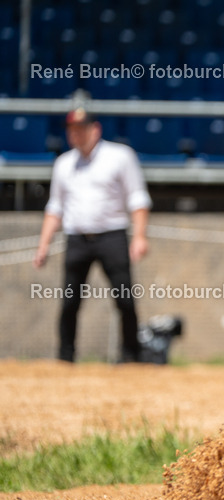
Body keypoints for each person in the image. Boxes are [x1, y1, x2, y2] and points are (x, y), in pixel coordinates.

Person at [33, 109, 152, 363]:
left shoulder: (120, 157)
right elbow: (55, 208)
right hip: (76, 239)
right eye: (71, 130)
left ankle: (131, 357)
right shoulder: (63, 163)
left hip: (112, 237)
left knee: (125, 300)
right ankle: (66, 357)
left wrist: (139, 236)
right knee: (69, 302)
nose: (75, 134)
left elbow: (137, 198)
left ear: (95, 129)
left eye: (81, 129)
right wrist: (43, 245)